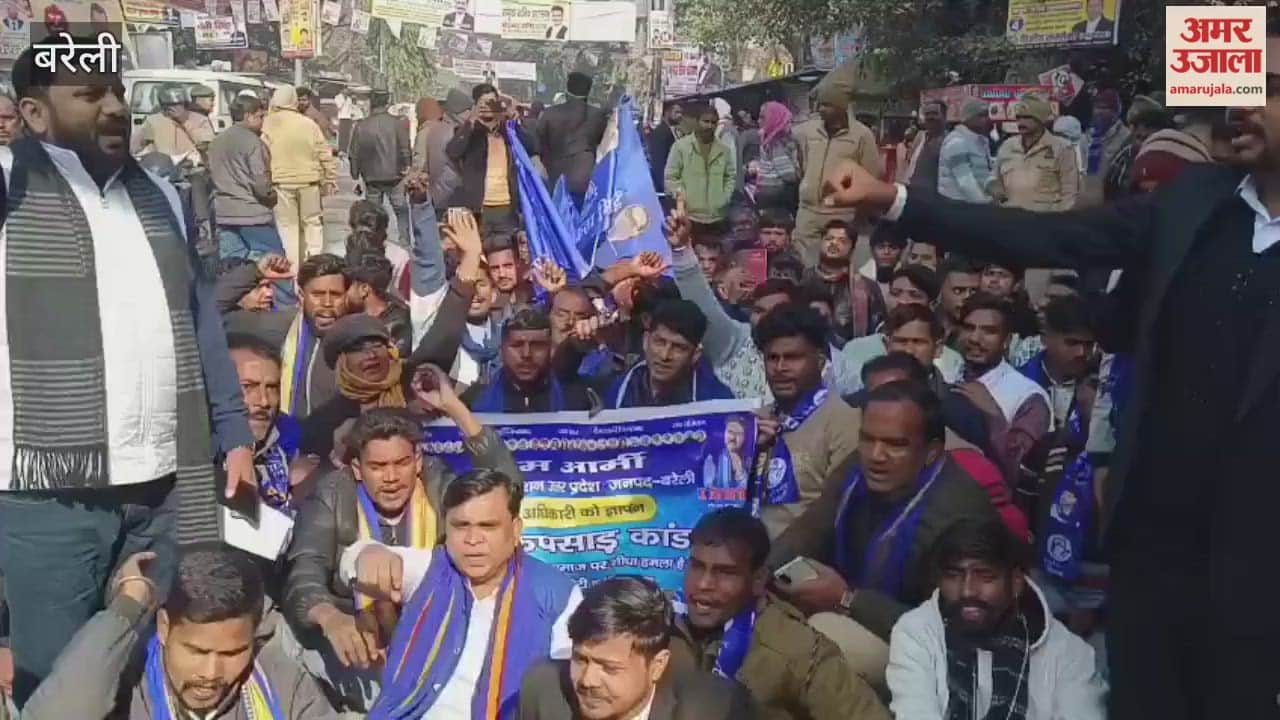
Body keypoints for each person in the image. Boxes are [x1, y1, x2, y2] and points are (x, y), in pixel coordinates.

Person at [818, 107, 1280, 711]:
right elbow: (1048, 236)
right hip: (1152, 551)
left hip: (1258, 566)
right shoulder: (1193, 201)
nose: (1239, 104)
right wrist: (897, 198)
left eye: (1266, 85)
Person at [0, 40, 255, 707]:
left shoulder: (163, 197)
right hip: (54, 500)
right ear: (33, 113)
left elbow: (202, 325)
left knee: (163, 656)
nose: (113, 107)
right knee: (61, 677)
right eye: (88, 95)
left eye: (115, 91)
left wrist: (233, 431)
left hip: (171, 483)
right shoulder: (10, 187)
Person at [285, 400, 515, 711]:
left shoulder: (442, 487)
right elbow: (304, 570)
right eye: (377, 467)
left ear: (418, 460)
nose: (391, 477)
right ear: (356, 468)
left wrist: (454, 407)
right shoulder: (332, 494)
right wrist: (331, 617)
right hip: (360, 649)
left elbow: (507, 489)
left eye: (401, 463)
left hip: (435, 644)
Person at [768, 381, 998, 687]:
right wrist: (759, 573)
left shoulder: (961, 513)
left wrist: (848, 600)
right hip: (854, 609)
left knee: (820, 638)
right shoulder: (858, 467)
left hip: (933, 655)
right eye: (867, 439)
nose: (876, 455)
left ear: (931, 452)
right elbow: (810, 529)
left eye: (896, 444)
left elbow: (954, 630)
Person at [340, 467, 582, 718]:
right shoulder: (430, 570)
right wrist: (366, 552)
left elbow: (566, 687)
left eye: (488, 526)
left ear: (516, 529)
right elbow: (349, 563)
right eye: (461, 525)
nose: (473, 539)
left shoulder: (557, 594)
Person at [24, 546, 337, 719]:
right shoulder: (127, 682)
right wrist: (129, 606)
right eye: (197, 651)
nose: (211, 673)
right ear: (163, 627)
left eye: (232, 653)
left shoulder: (278, 682)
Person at [670, 509, 890, 720]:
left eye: (725, 572)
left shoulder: (793, 650)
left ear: (757, 580)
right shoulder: (662, 620)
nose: (703, 583)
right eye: (697, 567)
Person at [886, 518, 1107, 719]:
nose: (967, 591)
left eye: (985, 576)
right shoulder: (915, 632)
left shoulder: (1070, 655)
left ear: (1017, 582)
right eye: (953, 576)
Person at [518, 576, 753, 720]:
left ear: (657, 666)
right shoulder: (543, 689)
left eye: (609, 668)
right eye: (580, 659)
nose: (588, 680)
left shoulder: (717, 710)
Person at [753, 304, 861, 536]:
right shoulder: (754, 421)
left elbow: (839, 514)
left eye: (792, 358)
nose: (780, 368)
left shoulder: (846, 422)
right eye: (772, 358)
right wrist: (747, 453)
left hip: (805, 562)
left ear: (821, 361)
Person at [225, 253, 349, 419]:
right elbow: (212, 313)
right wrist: (254, 272)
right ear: (301, 295)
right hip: (286, 440)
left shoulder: (358, 338)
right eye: (317, 294)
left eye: (335, 295)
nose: (327, 303)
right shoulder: (277, 327)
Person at [956, 292, 1052, 483]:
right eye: (969, 328)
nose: (975, 338)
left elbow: (1022, 471)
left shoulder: (1028, 395)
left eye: (989, 331)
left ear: (1007, 341)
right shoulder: (945, 374)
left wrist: (993, 415)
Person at [793, 68, 881, 267]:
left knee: (839, 267)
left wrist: (859, 216)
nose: (821, 109)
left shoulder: (861, 135)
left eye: (827, 105)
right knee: (806, 266)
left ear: (841, 107)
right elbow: (802, 163)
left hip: (841, 215)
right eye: (819, 104)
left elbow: (871, 176)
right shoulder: (808, 132)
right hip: (808, 214)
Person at [600, 299, 733, 408]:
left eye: (678, 348)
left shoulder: (717, 402)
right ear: (646, 341)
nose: (665, 355)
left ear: (695, 355)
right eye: (659, 342)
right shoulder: (619, 389)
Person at [463, 307, 596, 412]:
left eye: (537, 346)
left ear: (550, 347)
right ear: (502, 349)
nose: (526, 354)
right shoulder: (474, 401)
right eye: (517, 345)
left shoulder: (578, 398)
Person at [262, 85, 338, 268]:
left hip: (281, 184)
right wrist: (330, 178)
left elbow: (261, 154)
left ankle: (292, 269)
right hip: (309, 183)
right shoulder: (308, 124)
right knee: (312, 225)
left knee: (288, 228)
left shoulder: (267, 124)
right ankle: (314, 265)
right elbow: (324, 153)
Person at [446, 83, 534, 238]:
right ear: (475, 105)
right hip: (479, 206)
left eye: (492, 102)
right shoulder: (469, 132)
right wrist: (471, 121)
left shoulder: (507, 131)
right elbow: (453, 152)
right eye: (483, 103)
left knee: (506, 252)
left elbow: (532, 147)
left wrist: (515, 120)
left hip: (506, 207)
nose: (488, 107)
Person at [228, 333, 301, 513]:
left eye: (272, 388)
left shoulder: (287, 446)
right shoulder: (196, 462)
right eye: (248, 386)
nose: (263, 401)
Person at [209, 94, 283, 262]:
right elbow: (261, 184)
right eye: (260, 116)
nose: (263, 121)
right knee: (275, 263)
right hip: (253, 214)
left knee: (234, 265)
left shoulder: (217, 141)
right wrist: (272, 197)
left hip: (224, 213)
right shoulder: (253, 143)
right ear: (248, 116)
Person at [843, 302, 963, 395]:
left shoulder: (957, 405)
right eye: (901, 341)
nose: (909, 351)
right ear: (887, 345)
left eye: (918, 342)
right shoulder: (858, 405)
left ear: (938, 348)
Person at [992, 93, 1079, 212]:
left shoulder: (1061, 148)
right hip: (1010, 221)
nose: (1021, 122)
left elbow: (1070, 192)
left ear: (1040, 119)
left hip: (1045, 223)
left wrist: (1061, 222)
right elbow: (995, 180)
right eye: (1018, 117)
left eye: (1027, 117)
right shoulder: (1007, 146)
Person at [803, 219, 886, 344]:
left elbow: (879, 330)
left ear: (852, 249)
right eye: (829, 239)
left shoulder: (867, 287)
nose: (834, 243)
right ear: (821, 243)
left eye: (842, 241)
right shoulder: (802, 280)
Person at [1019, 295, 1095, 429]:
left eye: (1089, 344)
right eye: (1072, 343)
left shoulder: (1102, 389)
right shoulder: (1017, 383)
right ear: (1045, 338)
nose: (1081, 353)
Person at [350, 89, 412, 248]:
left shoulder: (361, 125)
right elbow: (405, 148)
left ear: (371, 102)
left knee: (372, 212)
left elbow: (354, 153)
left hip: (371, 177)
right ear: (387, 102)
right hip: (395, 175)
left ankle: (373, 241)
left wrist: (355, 175)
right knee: (401, 209)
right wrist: (407, 166)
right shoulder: (398, 123)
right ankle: (404, 242)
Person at [536, 71, 608, 201]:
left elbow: (540, 146)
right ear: (589, 91)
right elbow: (604, 146)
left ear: (567, 89)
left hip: (557, 179)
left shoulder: (549, 114)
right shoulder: (597, 116)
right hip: (585, 180)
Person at [665, 103, 736, 232]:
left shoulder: (724, 150)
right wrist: (682, 197)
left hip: (718, 217)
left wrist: (724, 198)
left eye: (714, 122)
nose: (709, 126)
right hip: (690, 217)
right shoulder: (681, 147)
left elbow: (730, 176)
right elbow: (671, 178)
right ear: (697, 122)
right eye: (706, 121)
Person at [345, 252, 411, 358]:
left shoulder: (397, 324)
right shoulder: (352, 317)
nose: (344, 292)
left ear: (364, 289)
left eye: (347, 286)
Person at [414, 90, 471, 210]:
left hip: (435, 194)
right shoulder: (458, 133)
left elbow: (420, 163)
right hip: (455, 195)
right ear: (458, 112)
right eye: (467, 111)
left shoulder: (430, 129)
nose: (469, 115)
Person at [1079, 89, 1129, 207]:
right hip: (1085, 202)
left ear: (1116, 112)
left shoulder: (1126, 137)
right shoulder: (1086, 138)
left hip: (1111, 203)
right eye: (1097, 107)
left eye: (1105, 108)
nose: (1100, 112)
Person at [938, 98, 994, 204]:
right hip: (958, 206)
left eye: (987, 115)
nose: (986, 119)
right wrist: (984, 205)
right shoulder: (957, 142)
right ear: (968, 118)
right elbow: (965, 182)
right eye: (981, 115)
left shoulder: (980, 140)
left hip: (973, 205)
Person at [131, 83, 200, 163]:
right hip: (162, 166)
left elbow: (204, 147)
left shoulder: (195, 119)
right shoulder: (154, 121)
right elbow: (135, 147)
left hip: (189, 167)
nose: (175, 108)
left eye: (179, 104)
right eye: (170, 105)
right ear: (164, 106)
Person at [753, 100, 801, 211]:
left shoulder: (767, 140)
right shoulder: (776, 143)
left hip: (766, 193)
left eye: (762, 117)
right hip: (777, 196)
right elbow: (788, 176)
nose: (759, 121)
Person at [937, 256, 982, 348]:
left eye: (974, 291)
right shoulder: (922, 323)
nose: (967, 297)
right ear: (939, 290)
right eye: (958, 290)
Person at [906, 101, 946, 195]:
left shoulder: (949, 141)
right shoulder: (921, 137)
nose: (930, 117)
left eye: (935, 113)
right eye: (927, 114)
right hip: (913, 191)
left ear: (944, 116)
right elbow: (910, 160)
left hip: (935, 196)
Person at [860, 222, 907, 294]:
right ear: (872, 251)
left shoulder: (910, 279)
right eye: (881, 247)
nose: (886, 252)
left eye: (893, 247)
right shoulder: (859, 280)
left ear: (901, 251)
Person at [649, 102, 683, 194]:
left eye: (681, 113)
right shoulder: (661, 133)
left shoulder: (669, 131)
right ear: (667, 112)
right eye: (676, 112)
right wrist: (665, 187)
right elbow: (659, 161)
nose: (680, 116)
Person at [183, 83, 217, 148]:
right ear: (199, 100)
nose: (213, 104)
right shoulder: (200, 119)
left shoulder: (187, 115)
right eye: (211, 100)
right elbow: (205, 145)